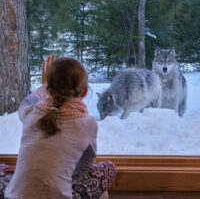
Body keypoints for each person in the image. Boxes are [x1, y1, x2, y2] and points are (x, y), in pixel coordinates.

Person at [4, 56, 116, 199]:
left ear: (48, 89)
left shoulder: (30, 112)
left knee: (3, 169)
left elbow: (26, 102)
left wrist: (43, 86)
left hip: (14, 195)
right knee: (108, 168)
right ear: (85, 90)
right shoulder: (88, 124)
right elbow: (85, 168)